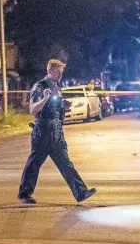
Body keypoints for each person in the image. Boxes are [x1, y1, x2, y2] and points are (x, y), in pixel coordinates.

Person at [18, 59, 96, 204]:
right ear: (49, 71)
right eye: (58, 72)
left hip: (56, 130)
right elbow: (33, 110)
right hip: (43, 131)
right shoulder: (40, 87)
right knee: (34, 163)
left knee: (65, 163)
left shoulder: (57, 86)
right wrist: (45, 99)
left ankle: (81, 192)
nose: (60, 75)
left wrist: (63, 106)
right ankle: (24, 194)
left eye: (61, 72)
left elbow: (54, 106)